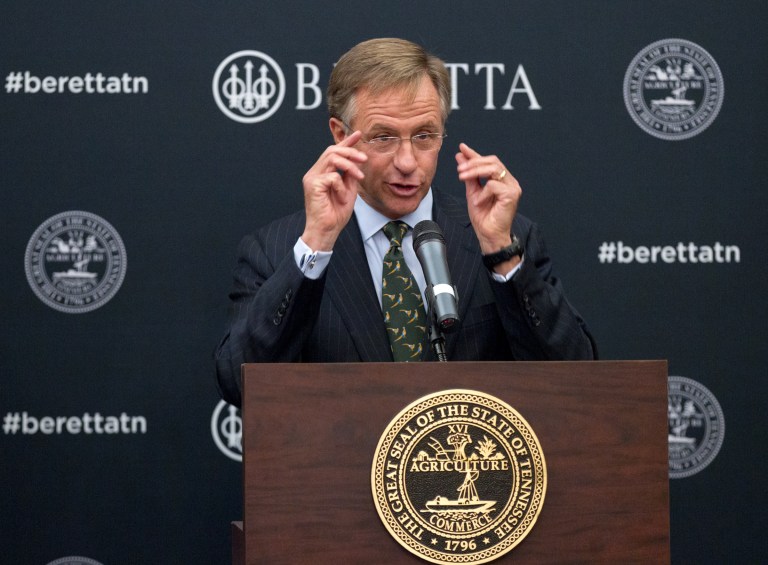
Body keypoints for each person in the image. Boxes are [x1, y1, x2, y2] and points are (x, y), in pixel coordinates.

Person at [215, 38, 596, 407]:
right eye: (383, 137)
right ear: (341, 135)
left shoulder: (507, 237)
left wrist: (502, 255)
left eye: (425, 136)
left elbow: (579, 377)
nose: (408, 162)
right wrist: (317, 243)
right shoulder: (279, 251)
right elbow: (238, 383)